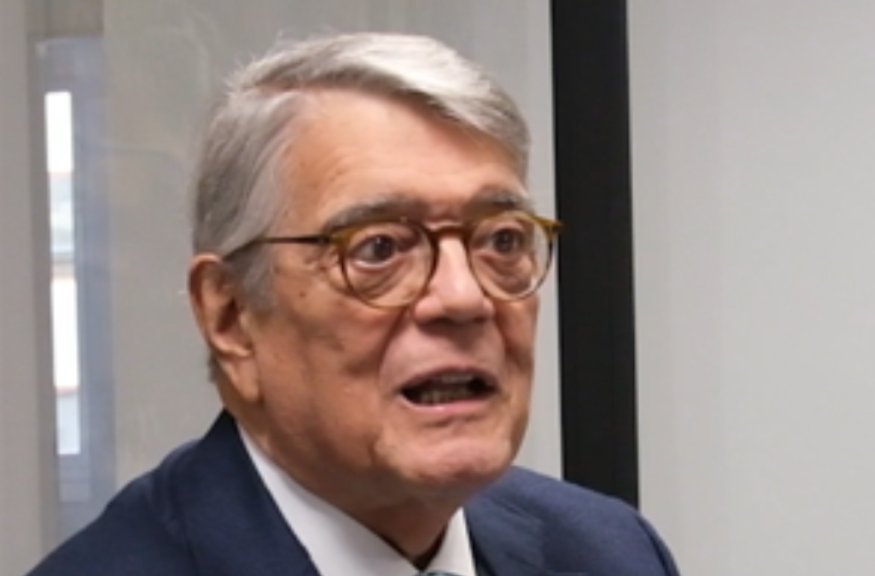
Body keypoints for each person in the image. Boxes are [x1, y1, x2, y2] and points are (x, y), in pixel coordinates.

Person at [27, 32, 680, 576]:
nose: (464, 297)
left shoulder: (608, 553)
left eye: (501, 240)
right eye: (379, 249)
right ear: (231, 316)